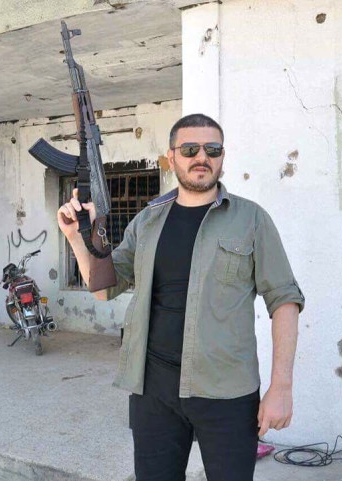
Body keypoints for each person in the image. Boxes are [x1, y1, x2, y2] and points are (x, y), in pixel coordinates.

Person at [57, 113, 305, 481]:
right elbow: (105, 287)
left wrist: (281, 387)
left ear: (222, 157)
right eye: (190, 149)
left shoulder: (252, 220)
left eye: (212, 149)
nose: (201, 157)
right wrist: (78, 239)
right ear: (171, 158)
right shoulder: (147, 221)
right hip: (153, 390)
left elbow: (284, 300)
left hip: (227, 391)